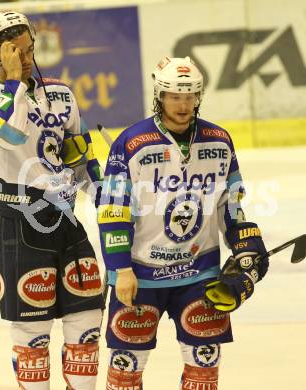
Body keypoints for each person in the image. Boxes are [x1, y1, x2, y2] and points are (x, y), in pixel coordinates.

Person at [97, 56, 269, 389]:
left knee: (204, 369)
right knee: (126, 371)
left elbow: (229, 205)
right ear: (159, 96)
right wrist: (121, 270)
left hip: (199, 273)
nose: (183, 103)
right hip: (141, 275)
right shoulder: (131, 143)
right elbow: (113, 211)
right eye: (175, 95)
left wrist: (245, 243)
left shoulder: (219, 141)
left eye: (190, 95)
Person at [0, 11, 105, 390]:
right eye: (15, 51)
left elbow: (79, 157)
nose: (26, 58)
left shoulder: (61, 92)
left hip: (65, 221)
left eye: (29, 49)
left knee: (88, 318)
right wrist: (14, 83)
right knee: (33, 332)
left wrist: (109, 203)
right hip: (19, 223)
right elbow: (10, 136)